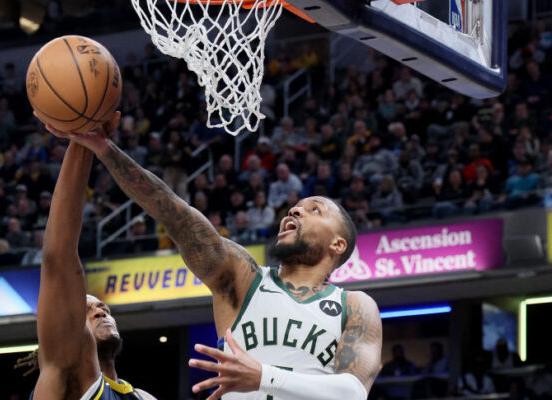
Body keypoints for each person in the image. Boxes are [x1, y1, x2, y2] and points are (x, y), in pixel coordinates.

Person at [37, 111, 381, 400]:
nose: (295, 210)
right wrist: (104, 149)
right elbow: (174, 212)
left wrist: (263, 375)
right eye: (295, 207)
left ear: (338, 244)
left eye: (314, 209)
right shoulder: (244, 278)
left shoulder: (355, 306)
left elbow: (353, 392)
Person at [28, 115, 155, 400]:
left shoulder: (143, 398)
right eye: (87, 311)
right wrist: (82, 140)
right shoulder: (61, 380)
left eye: (104, 309)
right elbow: (58, 258)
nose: (101, 312)